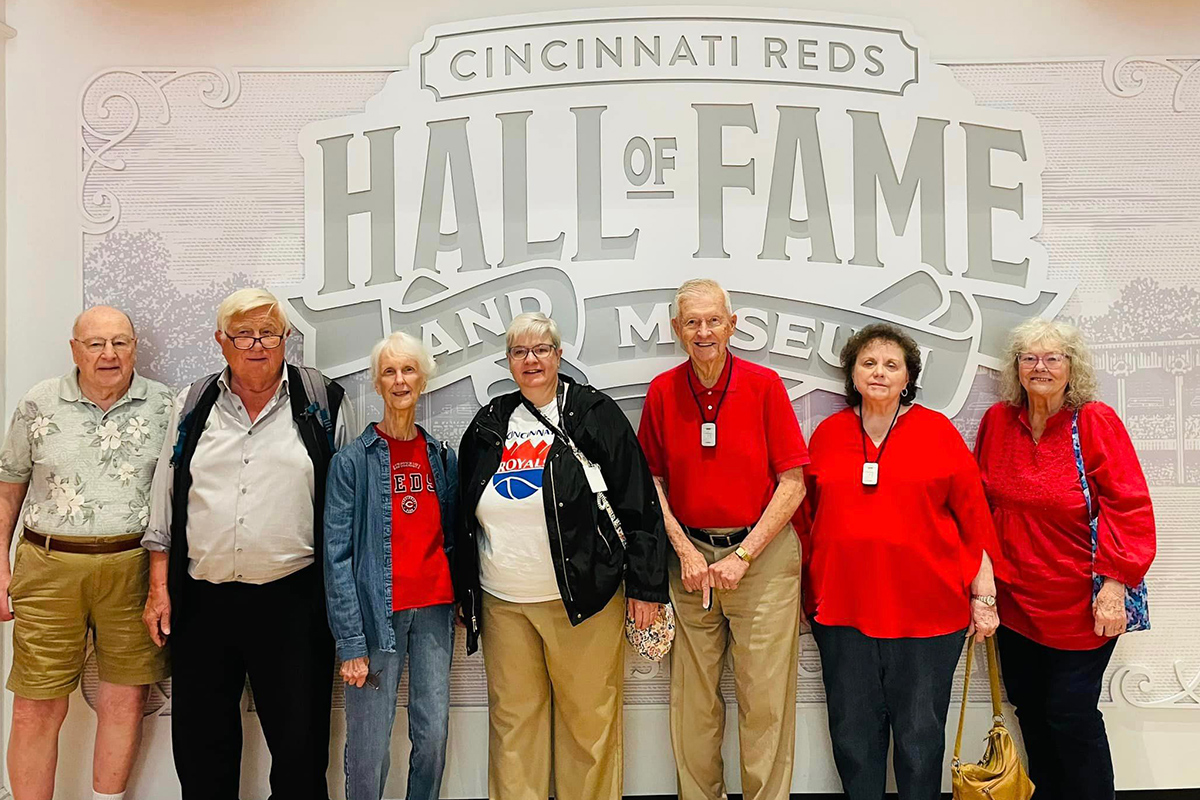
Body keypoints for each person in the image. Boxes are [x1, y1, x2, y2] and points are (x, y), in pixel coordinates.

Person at [141, 288, 356, 800]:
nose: (257, 344)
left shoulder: (324, 400)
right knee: (201, 748)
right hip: (202, 602)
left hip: (294, 602)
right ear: (221, 341)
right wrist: (157, 586)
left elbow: (348, 510)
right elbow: (164, 496)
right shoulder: (192, 403)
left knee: (300, 750)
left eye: (269, 333)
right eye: (244, 333)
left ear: (286, 340)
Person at [456, 311, 668, 800]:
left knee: (588, 729)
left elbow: (638, 502)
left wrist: (645, 586)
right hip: (504, 601)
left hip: (583, 599)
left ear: (559, 354)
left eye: (541, 350)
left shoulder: (594, 414)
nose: (530, 360)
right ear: (508, 361)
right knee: (514, 729)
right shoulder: (490, 422)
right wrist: (465, 590)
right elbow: (461, 513)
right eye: (518, 352)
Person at [799, 322, 1000, 800]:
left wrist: (985, 596)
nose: (880, 372)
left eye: (892, 365)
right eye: (869, 363)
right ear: (851, 373)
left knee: (919, 738)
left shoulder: (937, 432)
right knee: (852, 736)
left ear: (908, 377)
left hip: (928, 617)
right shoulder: (827, 435)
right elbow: (804, 521)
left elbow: (975, 519)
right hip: (843, 613)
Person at [637, 278, 809, 800]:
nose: (704, 331)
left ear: (732, 325)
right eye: (692, 322)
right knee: (693, 704)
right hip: (689, 560)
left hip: (762, 558)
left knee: (765, 703)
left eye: (714, 320)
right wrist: (685, 550)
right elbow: (651, 482)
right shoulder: (664, 390)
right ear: (676, 330)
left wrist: (744, 554)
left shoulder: (764, 385)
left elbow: (793, 484)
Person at [974, 318, 1155, 800]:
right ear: (1016, 368)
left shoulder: (1093, 421)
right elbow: (979, 508)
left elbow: (1129, 506)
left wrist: (1113, 588)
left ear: (1072, 367)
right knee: (1030, 709)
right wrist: (983, 590)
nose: (1041, 367)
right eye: (1029, 358)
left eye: (1053, 357)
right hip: (1014, 603)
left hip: (1079, 604)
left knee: (1070, 714)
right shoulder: (997, 422)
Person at [0, 306, 173, 800]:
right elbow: (9, 485)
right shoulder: (39, 403)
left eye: (120, 342)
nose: (108, 354)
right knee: (37, 704)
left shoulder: (166, 406)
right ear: (73, 348)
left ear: (136, 347)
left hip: (135, 569)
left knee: (124, 700)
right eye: (95, 343)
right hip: (49, 567)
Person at [324, 332, 459, 800]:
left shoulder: (442, 457)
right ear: (377, 385)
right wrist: (350, 643)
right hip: (375, 621)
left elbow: (454, 538)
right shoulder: (351, 463)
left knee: (434, 739)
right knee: (368, 748)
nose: (400, 380)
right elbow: (336, 558)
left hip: (435, 614)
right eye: (389, 371)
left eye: (408, 370)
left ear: (423, 379)